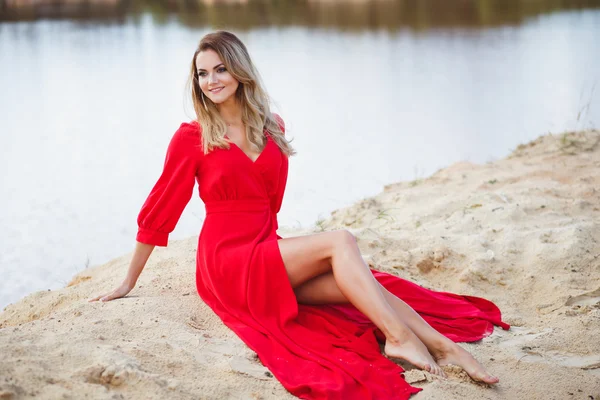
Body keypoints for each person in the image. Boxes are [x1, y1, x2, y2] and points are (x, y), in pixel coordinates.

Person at [90, 31, 509, 399]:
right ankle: (399, 338)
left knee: (361, 287)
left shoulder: (270, 125)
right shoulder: (192, 138)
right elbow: (160, 209)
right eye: (202, 74)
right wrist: (128, 281)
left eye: (220, 69)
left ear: (239, 71)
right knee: (340, 242)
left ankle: (442, 346)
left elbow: (271, 204)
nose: (211, 80)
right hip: (227, 264)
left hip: (265, 250)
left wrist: (276, 247)